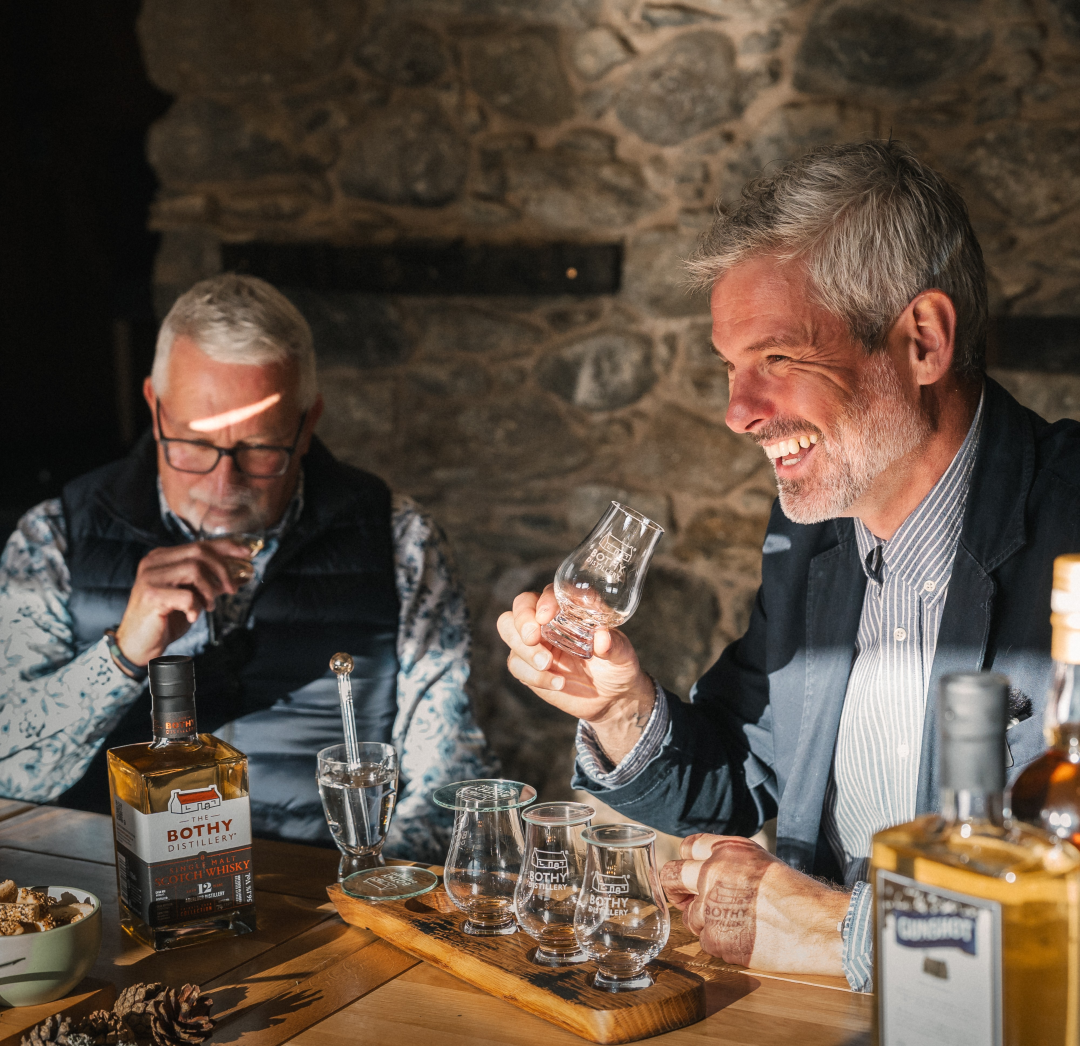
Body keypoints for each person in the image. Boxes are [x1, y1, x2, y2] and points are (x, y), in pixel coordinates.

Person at [499, 141, 1080, 990]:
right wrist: (623, 710)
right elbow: (746, 776)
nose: (738, 412)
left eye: (778, 359)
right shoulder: (813, 534)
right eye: (730, 368)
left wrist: (839, 930)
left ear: (922, 341)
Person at [0, 273, 488, 862]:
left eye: (259, 448)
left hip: (328, 894)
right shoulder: (54, 537)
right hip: (112, 890)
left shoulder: (401, 542)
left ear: (308, 425)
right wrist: (121, 655)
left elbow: (449, 779)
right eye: (195, 444)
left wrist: (360, 895)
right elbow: (12, 779)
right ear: (154, 406)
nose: (222, 483)